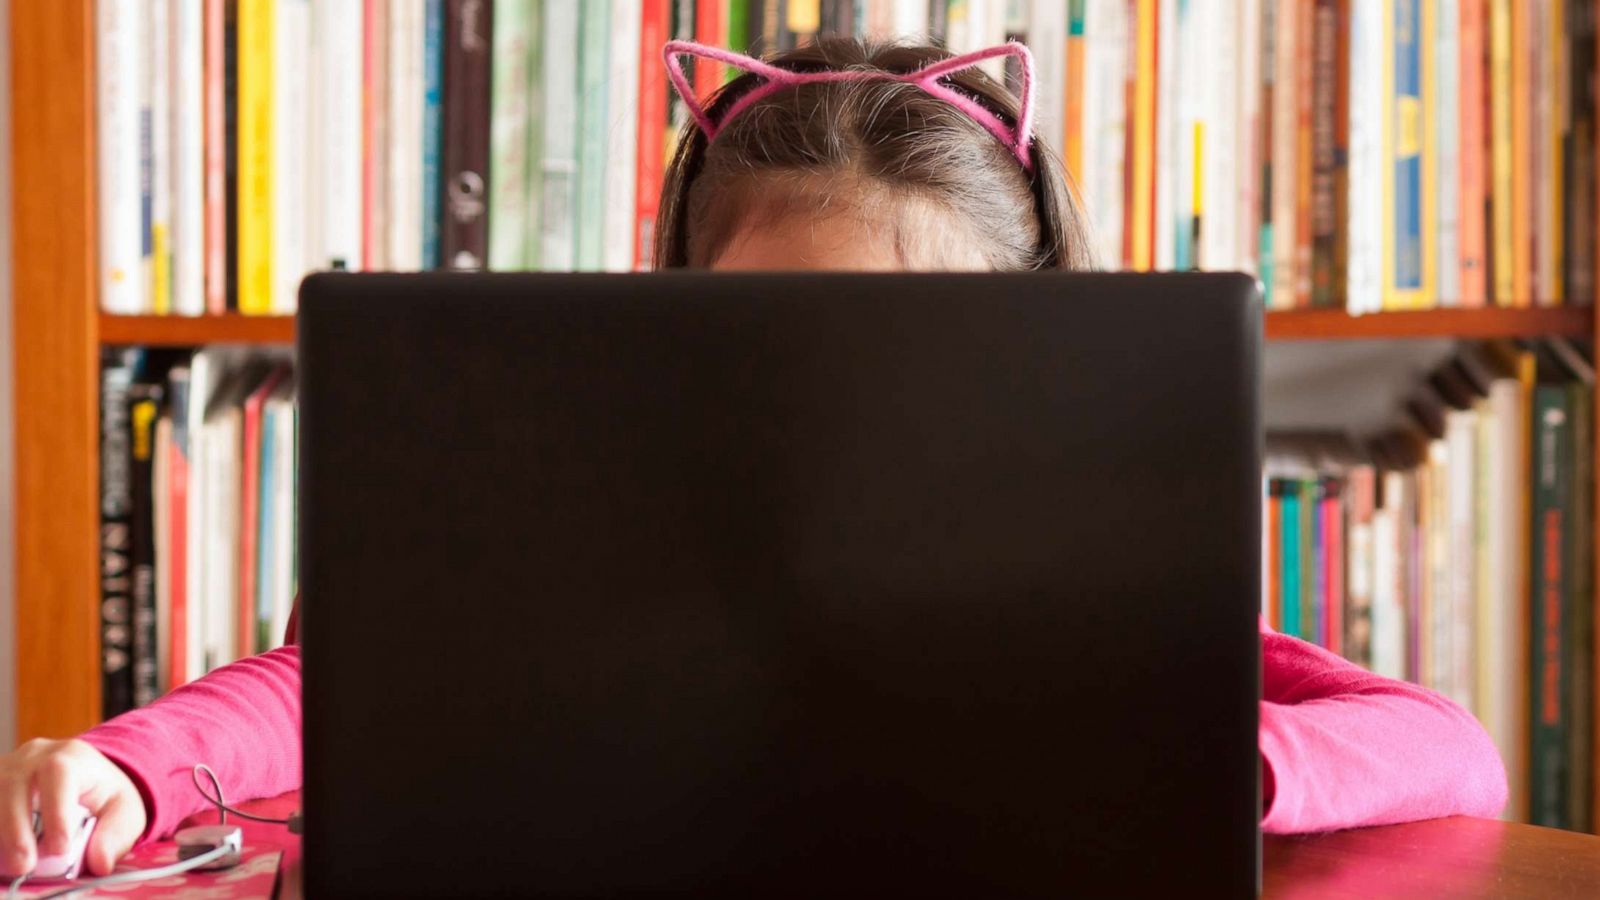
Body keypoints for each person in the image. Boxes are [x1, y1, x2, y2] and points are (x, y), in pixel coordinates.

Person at [0, 36, 1507, 881]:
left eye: (912, 352)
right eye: (775, 339)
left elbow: (1446, 747)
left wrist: (1202, 768)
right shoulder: (580, 543)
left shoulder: (1085, 585)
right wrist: (128, 773)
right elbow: (321, 692)